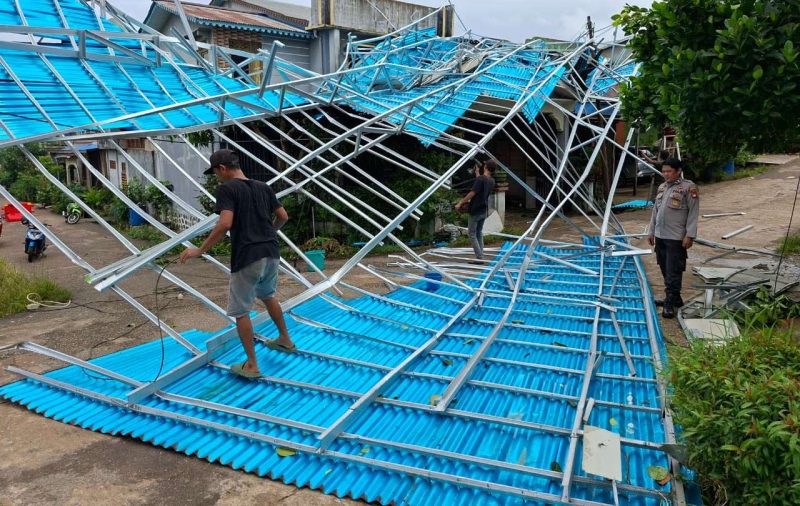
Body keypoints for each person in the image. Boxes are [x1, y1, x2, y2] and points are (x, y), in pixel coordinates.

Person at [180, 149, 295, 379]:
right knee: (268, 295)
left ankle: (252, 365)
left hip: (247, 256)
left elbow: (224, 224)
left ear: (222, 168)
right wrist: (268, 234)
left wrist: (200, 250)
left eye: (215, 172)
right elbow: (283, 216)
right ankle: (284, 339)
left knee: (241, 311)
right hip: (271, 251)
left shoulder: (227, 189)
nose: (216, 177)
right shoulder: (263, 186)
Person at [647, 158, 699, 319]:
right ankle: (675, 298)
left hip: (676, 237)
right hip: (660, 235)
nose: (665, 174)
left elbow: (693, 213)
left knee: (673, 270)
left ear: (678, 171)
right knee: (664, 267)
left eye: (669, 171)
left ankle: (670, 302)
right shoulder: (662, 187)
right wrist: (651, 231)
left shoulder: (688, 188)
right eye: (663, 171)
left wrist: (690, 235)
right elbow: (656, 211)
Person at [455, 160, 496, 260]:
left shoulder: (481, 179)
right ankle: (480, 255)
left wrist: (460, 203)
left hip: (475, 209)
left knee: (472, 234)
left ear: (486, 167)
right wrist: (477, 173)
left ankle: (480, 256)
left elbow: (473, 192)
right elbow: (481, 183)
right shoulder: (491, 180)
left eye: (485, 164)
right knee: (479, 233)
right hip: (483, 209)